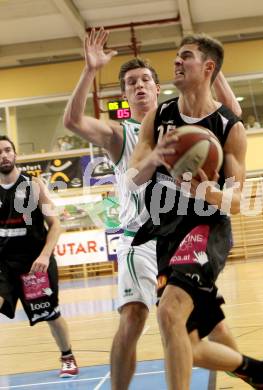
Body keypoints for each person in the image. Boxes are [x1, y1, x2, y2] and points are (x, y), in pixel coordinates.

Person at [64, 27, 243, 390]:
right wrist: (89, 70)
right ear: (125, 95)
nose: (140, 85)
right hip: (140, 239)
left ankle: (256, 374)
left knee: (211, 327)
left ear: (159, 88)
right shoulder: (122, 134)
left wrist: (212, 64)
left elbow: (231, 114)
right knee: (134, 318)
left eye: (146, 79)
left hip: (184, 235)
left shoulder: (192, 122)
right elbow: (73, 122)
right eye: (132, 83)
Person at [129, 33, 263, 389]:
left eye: (186, 56)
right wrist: (155, 157)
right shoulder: (160, 116)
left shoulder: (230, 127)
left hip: (206, 229)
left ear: (208, 67)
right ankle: (262, 373)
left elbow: (237, 201)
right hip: (166, 233)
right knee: (187, 340)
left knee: (169, 312)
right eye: (176, 55)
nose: (177, 61)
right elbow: (133, 178)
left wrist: (204, 191)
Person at [0, 135, 79, 378]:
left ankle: (67, 356)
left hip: (34, 262)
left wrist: (45, 256)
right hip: (4, 263)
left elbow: (55, 225)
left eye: (7, 150)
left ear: (15, 154)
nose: (3, 155)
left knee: (49, 314)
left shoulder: (34, 186)